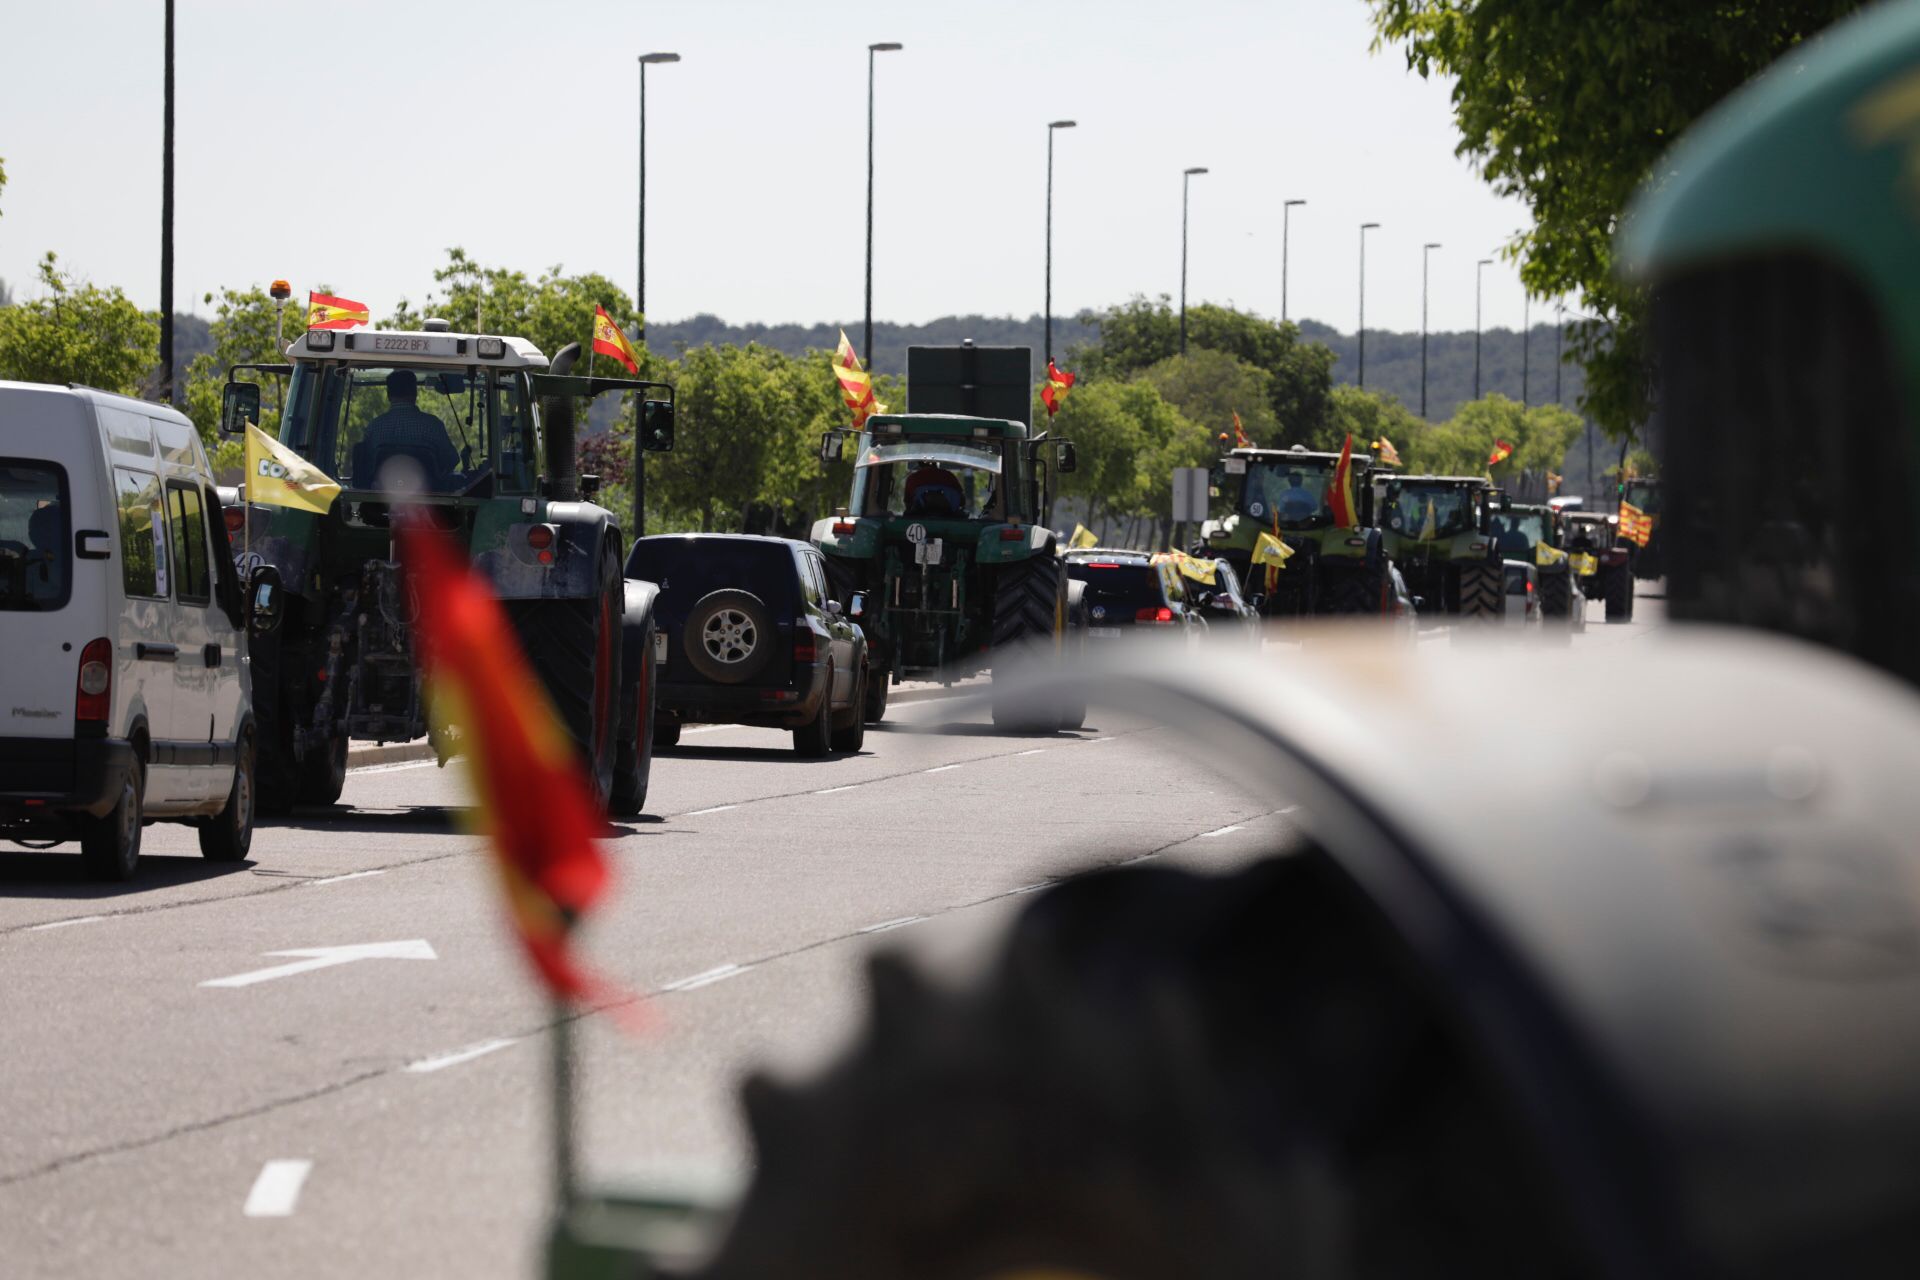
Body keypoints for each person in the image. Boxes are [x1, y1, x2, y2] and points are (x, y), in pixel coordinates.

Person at [361, 370, 458, 487]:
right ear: (415, 392)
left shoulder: (374, 427)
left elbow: (365, 466)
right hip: (429, 500)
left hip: (382, 499)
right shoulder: (433, 425)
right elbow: (452, 460)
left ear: (388, 394)